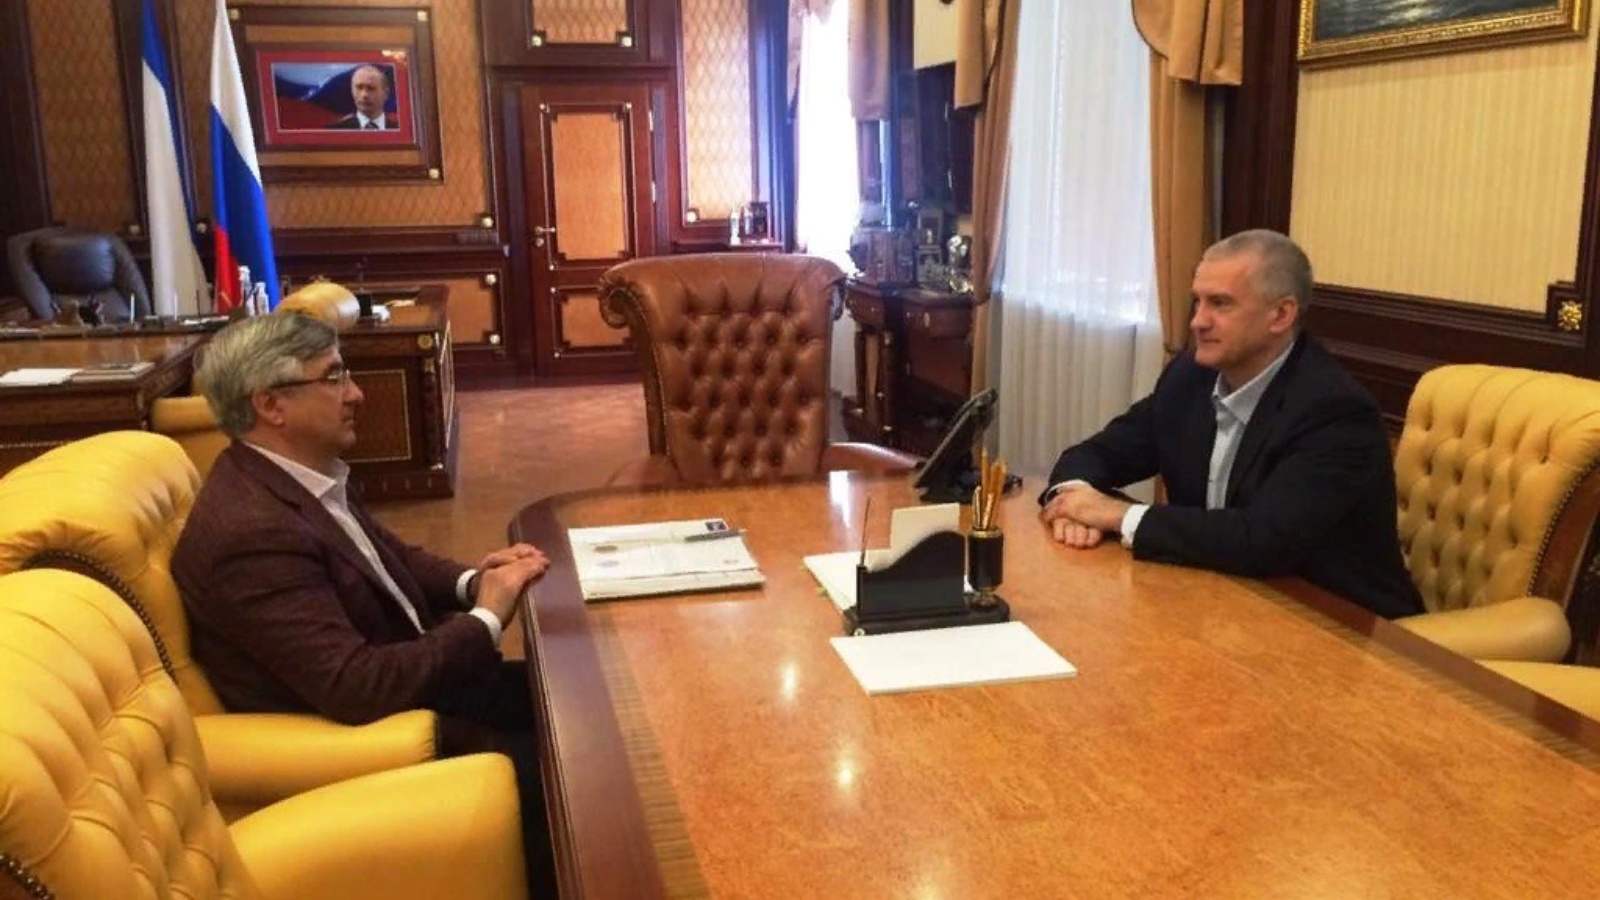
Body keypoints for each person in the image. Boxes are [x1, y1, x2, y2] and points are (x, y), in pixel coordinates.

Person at [171, 312, 554, 890]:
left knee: (576, 700)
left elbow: (392, 559)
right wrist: (487, 618)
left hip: (423, 680)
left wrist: (474, 582)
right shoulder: (250, 533)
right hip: (386, 735)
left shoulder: (295, 476)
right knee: (575, 768)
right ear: (271, 404)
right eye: (334, 377)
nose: (356, 394)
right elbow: (357, 686)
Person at [1038, 229, 1423, 620]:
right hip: (1223, 601)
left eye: (1220, 304)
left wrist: (1115, 515)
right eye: (1198, 301)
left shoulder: (1335, 411)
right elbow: (1097, 453)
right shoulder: (1190, 377)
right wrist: (1073, 499)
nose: (1197, 322)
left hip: (1340, 623)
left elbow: (1263, 540)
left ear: (1281, 315)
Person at [330, 64, 397, 130]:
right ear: (352, 90)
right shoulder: (334, 131)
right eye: (359, 88)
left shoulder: (398, 130)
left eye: (371, 88)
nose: (364, 95)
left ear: (385, 93)